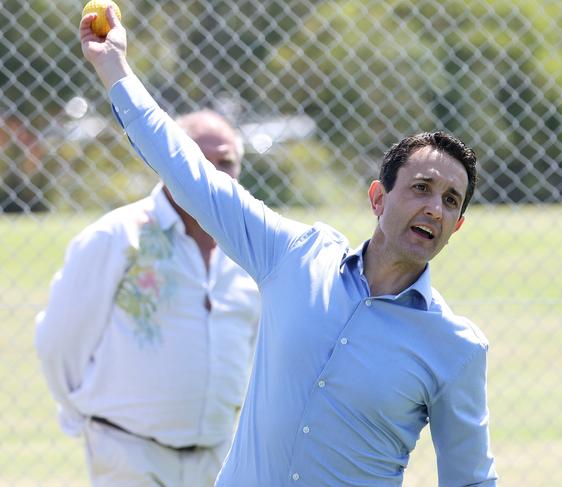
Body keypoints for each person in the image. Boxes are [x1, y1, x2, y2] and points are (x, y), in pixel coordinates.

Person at [77, 7, 498, 486]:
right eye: (421, 188)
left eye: (450, 201)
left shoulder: (455, 348)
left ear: (457, 226)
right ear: (378, 198)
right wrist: (114, 68)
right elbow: (192, 176)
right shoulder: (295, 256)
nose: (434, 209)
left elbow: (471, 481)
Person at [34, 108, 261, 487]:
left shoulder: (252, 247)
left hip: (219, 457)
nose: (214, 174)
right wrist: (86, 419)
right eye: (200, 161)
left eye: (226, 162)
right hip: (128, 454)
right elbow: (59, 342)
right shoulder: (117, 237)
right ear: (168, 160)